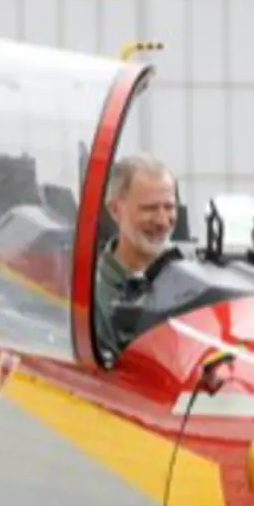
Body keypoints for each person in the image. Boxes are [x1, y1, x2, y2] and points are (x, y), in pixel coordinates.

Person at [94, 152, 180, 363]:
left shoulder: (194, 274)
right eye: (149, 209)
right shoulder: (90, 294)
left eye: (169, 207)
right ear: (115, 210)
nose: (162, 221)